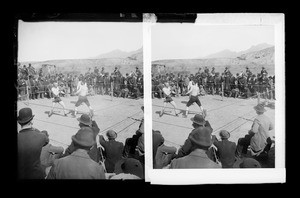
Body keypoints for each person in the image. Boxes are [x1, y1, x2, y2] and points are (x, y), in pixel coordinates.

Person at [18, 107, 48, 179]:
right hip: (36, 174)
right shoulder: (41, 136)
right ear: (31, 121)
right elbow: (46, 141)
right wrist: (35, 130)